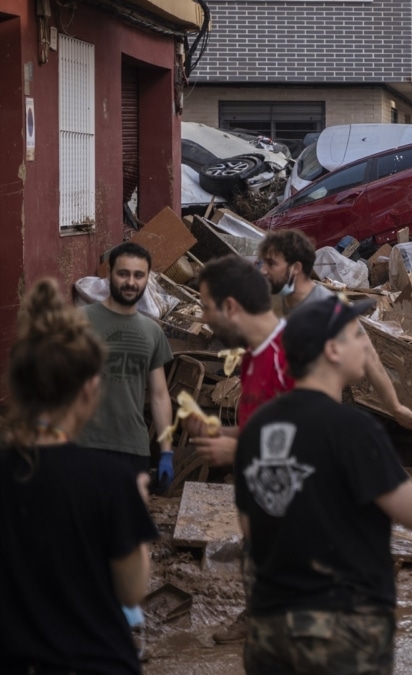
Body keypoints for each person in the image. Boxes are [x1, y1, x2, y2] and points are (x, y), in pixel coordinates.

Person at [236, 294, 412, 674]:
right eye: (356, 335)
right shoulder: (353, 429)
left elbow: (251, 526)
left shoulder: (258, 427)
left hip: (270, 627)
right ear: (332, 350)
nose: (366, 343)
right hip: (341, 629)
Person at [1, 279, 158, 674]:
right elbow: (132, 590)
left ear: (17, 388)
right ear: (90, 389)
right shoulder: (110, 480)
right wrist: (134, 507)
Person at [190, 254, 298, 644]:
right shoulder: (254, 355)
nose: (203, 318)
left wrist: (235, 453)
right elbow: (264, 430)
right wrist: (222, 432)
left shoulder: (291, 357)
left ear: (231, 306)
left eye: (205, 306)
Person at [257, 229, 412, 429]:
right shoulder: (273, 302)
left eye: (271, 264)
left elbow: (368, 355)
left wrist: (394, 406)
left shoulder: (326, 306)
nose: (264, 270)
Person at [77, 242, 176, 489]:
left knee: (126, 526)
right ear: (109, 274)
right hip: (83, 446)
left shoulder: (153, 331)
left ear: (147, 279)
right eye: (123, 273)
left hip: (133, 449)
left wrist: (166, 451)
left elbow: (160, 395)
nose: (131, 282)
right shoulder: (79, 322)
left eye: (139, 275)